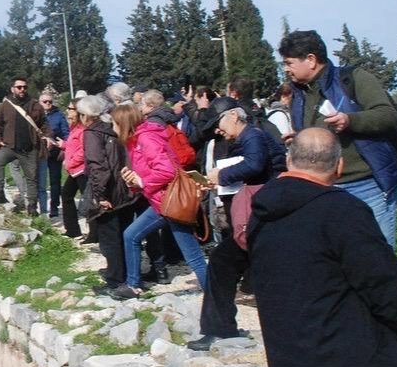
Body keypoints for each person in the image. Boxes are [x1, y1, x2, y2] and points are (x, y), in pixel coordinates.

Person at [248, 127, 397, 367]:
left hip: (290, 364)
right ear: (339, 165)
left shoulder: (260, 211)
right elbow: (385, 287)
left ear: (290, 160)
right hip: (347, 366)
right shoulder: (341, 209)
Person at [279, 30, 397, 245]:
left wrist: (350, 120)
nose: (285, 69)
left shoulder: (355, 78)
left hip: (367, 184)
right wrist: (300, 138)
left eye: (289, 63)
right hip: (322, 189)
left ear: (311, 60)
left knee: (377, 260)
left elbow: (387, 114)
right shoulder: (299, 94)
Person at [186, 99, 286, 350]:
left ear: (233, 115)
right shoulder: (246, 137)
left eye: (218, 124)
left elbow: (255, 165)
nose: (218, 131)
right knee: (223, 264)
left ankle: (220, 330)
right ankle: (220, 329)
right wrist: (218, 181)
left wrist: (221, 176)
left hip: (259, 218)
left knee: (222, 264)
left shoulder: (252, 135)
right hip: (255, 218)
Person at [114, 104, 209, 300]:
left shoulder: (145, 138)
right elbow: (150, 172)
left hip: (171, 202)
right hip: (161, 201)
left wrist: (140, 181)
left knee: (193, 255)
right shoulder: (136, 140)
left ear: (123, 123)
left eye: (114, 124)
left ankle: (214, 292)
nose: (112, 128)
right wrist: (133, 179)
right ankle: (133, 285)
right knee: (131, 235)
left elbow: (167, 171)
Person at [80, 94, 137, 292]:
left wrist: (100, 195)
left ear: (87, 115)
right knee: (124, 234)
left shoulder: (92, 133)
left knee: (109, 237)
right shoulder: (113, 128)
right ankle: (128, 275)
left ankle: (115, 279)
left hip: (110, 191)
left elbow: (98, 166)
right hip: (125, 189)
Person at [0, 77, 52, 215]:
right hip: (9, 146)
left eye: (24, 87)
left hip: (29, 149)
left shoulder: (35, 105)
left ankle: (32, 207)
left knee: (31, 178)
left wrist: (48, 136)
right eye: (19, 87)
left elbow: (44, 123)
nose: (22, 89)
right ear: (12, 89)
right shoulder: (5, 105)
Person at [37, 90, 68, 217]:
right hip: (40, 152)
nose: (48, 104)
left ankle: (54, 206)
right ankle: (41, 206)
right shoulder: (35, 115)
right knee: (40, 180)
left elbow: (66, 133)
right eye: (45, 102)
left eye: (50, 101)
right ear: (40, 103)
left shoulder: (59, 115)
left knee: (55, 180)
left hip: (54, 152)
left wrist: (65, 147)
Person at [59, 100, 86, 238]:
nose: (67, 111)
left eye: (70, 108)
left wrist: (71, 163)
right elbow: (72, 146)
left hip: (81, 170)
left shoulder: (82, 129)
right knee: (67, 195)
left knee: (88, 201)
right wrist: (63, 145)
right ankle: (73, 230)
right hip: (74, 171)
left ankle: (95, 233)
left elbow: (83, 150)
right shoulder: (74, 128)